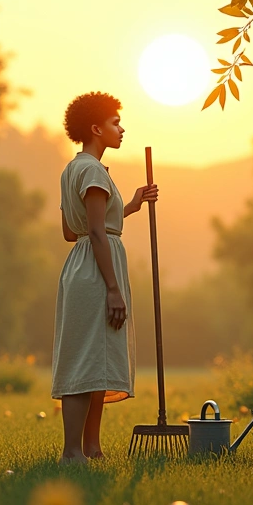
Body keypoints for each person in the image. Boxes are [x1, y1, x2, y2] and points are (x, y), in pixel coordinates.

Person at [53, 91, 158, 464]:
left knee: (96, 359)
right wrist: (113, 289)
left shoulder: (73, 169)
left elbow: (73, 230)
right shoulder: (93, 171)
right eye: (115, 122)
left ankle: (92, 449)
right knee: (85, 359)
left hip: (81, 264)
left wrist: (130, 205)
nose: (121, 128)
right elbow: (97, 233)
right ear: (96, 128)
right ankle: (71, 452)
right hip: (97, 271)